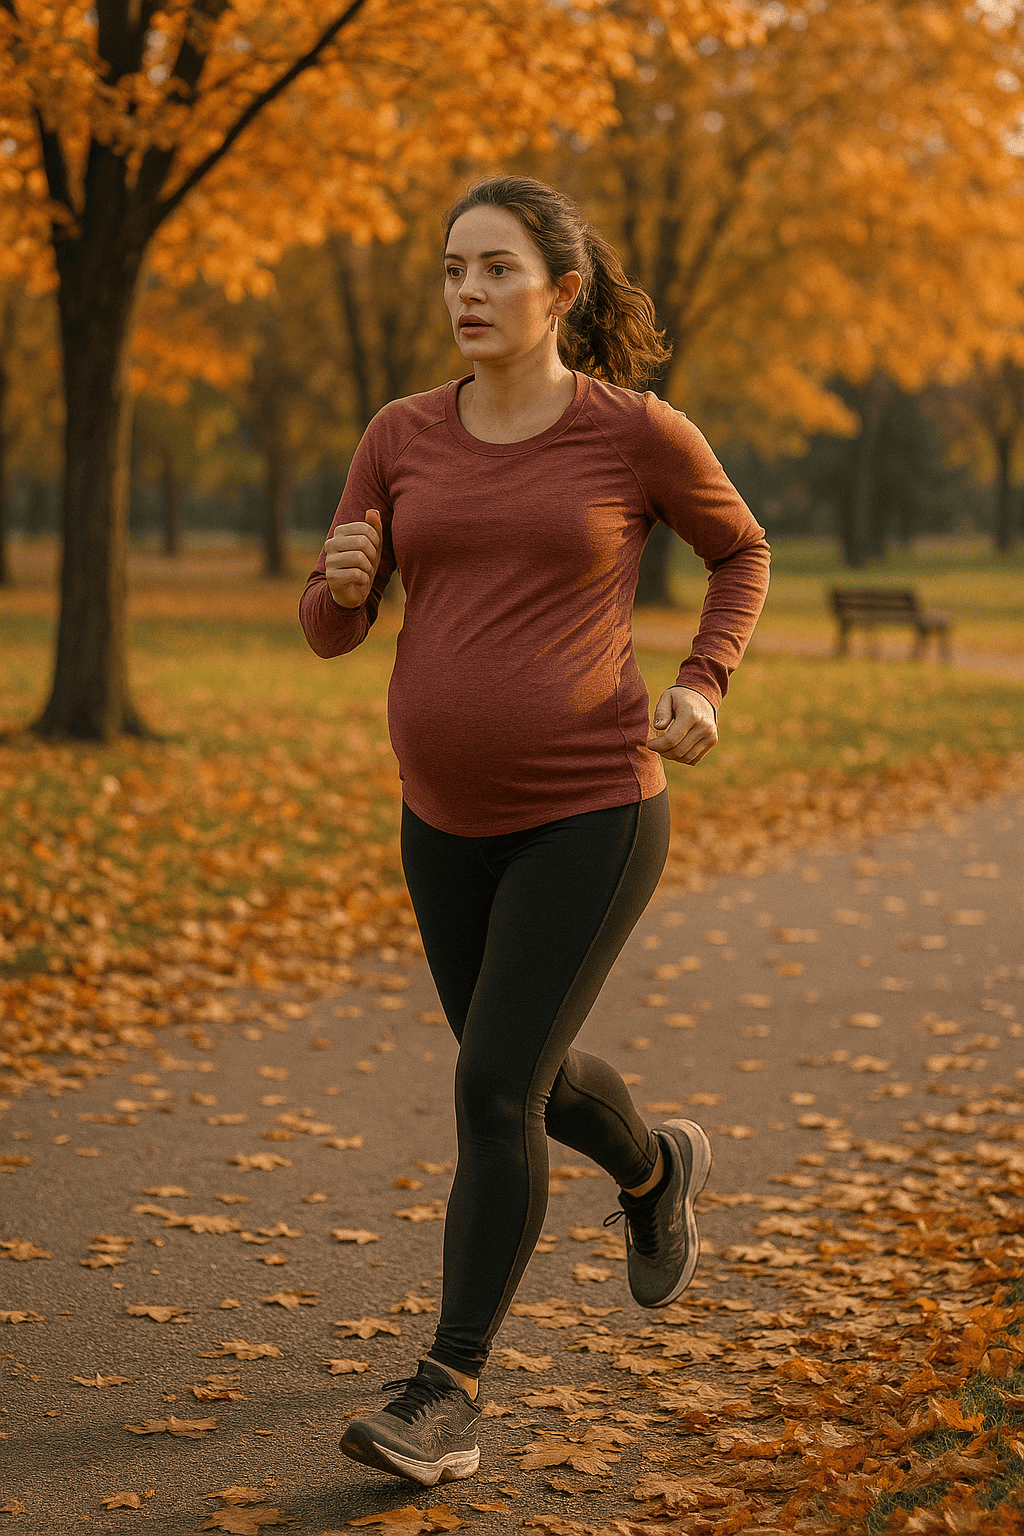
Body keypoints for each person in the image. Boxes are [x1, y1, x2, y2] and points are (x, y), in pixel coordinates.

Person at [299, 174, 770, 1488]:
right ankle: (656, 1169)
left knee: (492, 1086)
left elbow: (740, 553)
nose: (466, 292)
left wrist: (702, 683)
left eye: (495, 269)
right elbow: (336, 624)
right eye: (453, 269)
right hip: (441, 819)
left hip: (593, 808)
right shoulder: (399, 435)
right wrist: (335, 592)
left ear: (562, 290)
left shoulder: (634, 434)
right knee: (530, 1075)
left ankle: (445, 1395)